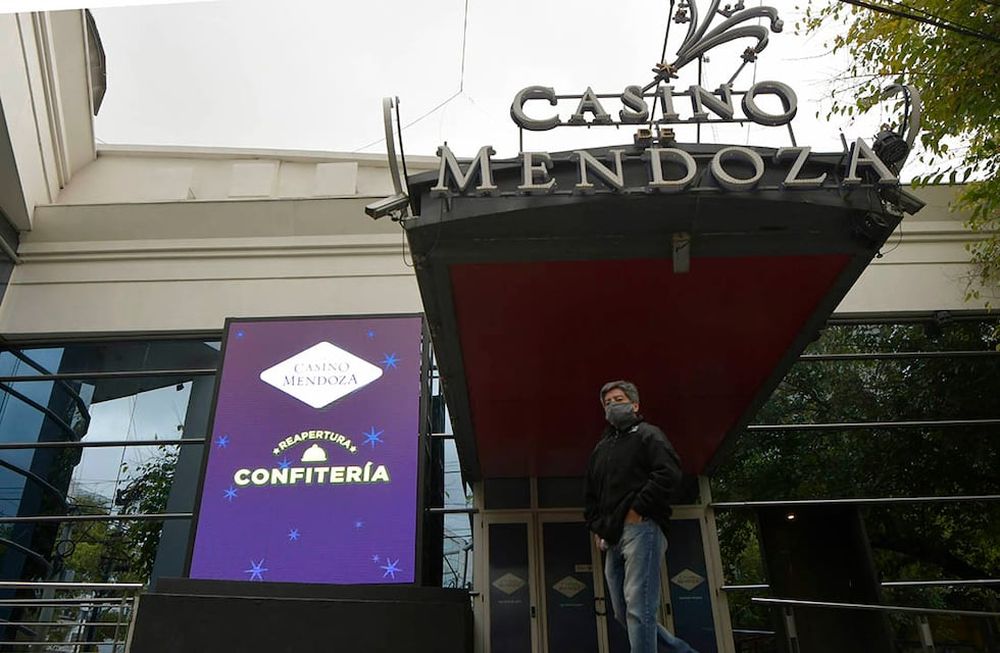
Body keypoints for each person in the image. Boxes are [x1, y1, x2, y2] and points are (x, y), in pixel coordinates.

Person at [584, 380, 696, 653]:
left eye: (618, 399)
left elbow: (668, 473)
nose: (612, 405)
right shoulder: (602, 448)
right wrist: (599, 526)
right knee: (624, 612)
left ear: (634, 404)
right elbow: (591, 493)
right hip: (612, 538)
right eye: (607, 403)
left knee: (638, 607)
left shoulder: (648, 434)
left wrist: (638, 509)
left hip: (642, 529)